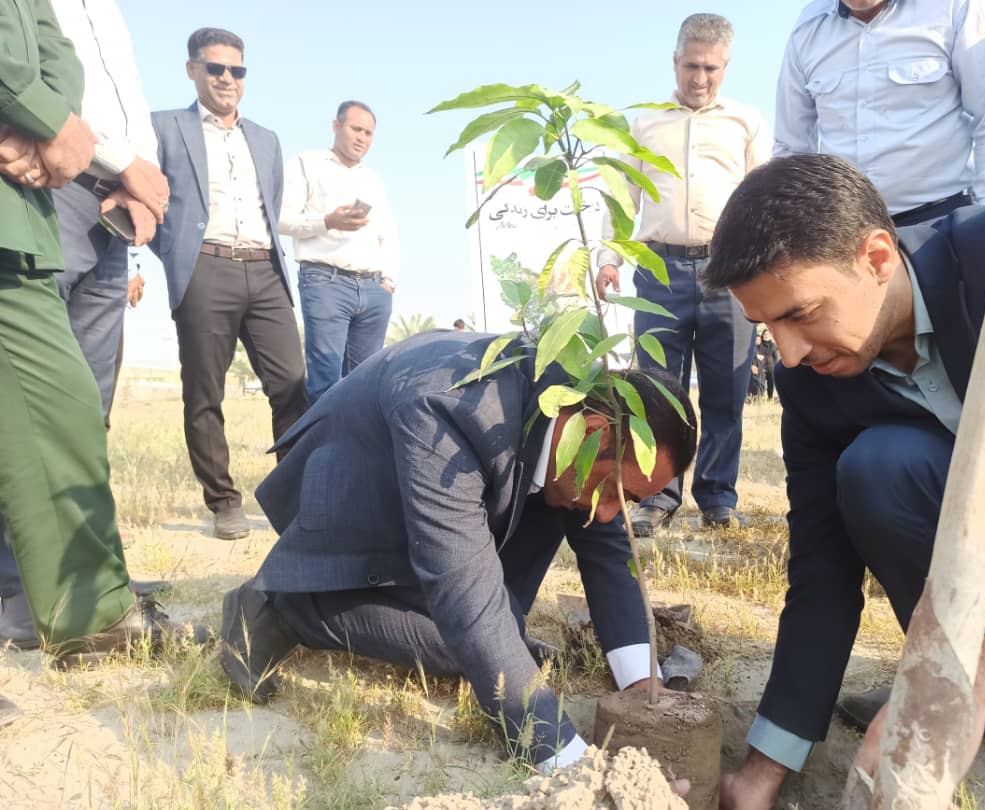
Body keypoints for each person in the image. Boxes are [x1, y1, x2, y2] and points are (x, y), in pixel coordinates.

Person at [703, 154, 985, 809]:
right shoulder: (811, 384)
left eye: (800, 313)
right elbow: (821, 573)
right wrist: (762, 771)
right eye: (767, 328)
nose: (789, 353)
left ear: (875, 257)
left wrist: (953, 680)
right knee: (880, 469)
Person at [218, 330, 699, 771]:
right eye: (615, 491)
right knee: (471, 644)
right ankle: (287, 606)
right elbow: (467, 604)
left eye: (629, 500)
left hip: (436, 494)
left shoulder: (584, 413)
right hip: (355, 494)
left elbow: (607, 551)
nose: (612, 512)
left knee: (501, 633)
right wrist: (567, 762)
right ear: (591, 433)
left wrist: (642, 681)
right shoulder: (452, 412)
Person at [0, 0, 204, 725]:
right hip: (38, 171)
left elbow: (59, 58)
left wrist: (101, 156)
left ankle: (83, 605)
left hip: (65, 188)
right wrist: (45, 122)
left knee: (70, 406)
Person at [594, 13, 772, 536]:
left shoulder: (746, 122)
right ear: (675, 61)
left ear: (726, 66)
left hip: (728, 272)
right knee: (658, 392)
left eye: (711, 68)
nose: (700, 78)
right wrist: (608, 258)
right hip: (658, 270)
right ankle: (656, 496)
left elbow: (761, 199)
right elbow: (621, 196)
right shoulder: (642, 124)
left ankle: (718, 497)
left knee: (726, 392)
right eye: (692, 65)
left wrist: (762, 267)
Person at [151, 27, 307, 541]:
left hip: (265, 271)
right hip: (206, 268)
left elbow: (272, 204)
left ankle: (294, 504)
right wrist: (176, 255)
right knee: (204, 392)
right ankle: (223, 502)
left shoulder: (266, 139)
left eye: (236, 70)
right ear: (192, 69)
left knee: (292, 386)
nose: (226, 78)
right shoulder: (164, 128)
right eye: (214, 67)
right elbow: (148, 202)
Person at [774, 0, 985, 225]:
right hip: (844, 230)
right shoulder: (807, 29)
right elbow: (791, 150)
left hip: (942, 222)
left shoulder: (956, 7)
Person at [279, 101, 399, 403]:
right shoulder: (306, 164)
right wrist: (327, 221)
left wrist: (388, 281)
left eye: (368, 133)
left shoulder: (373, 179)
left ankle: (358, 438)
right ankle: (322, 436)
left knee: (367, 384)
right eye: (356, 129)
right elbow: (280, 219)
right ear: (336, 126)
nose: (362, 138)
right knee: (326, 382)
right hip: (326, 282)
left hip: (373, 289)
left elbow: (388, 233)